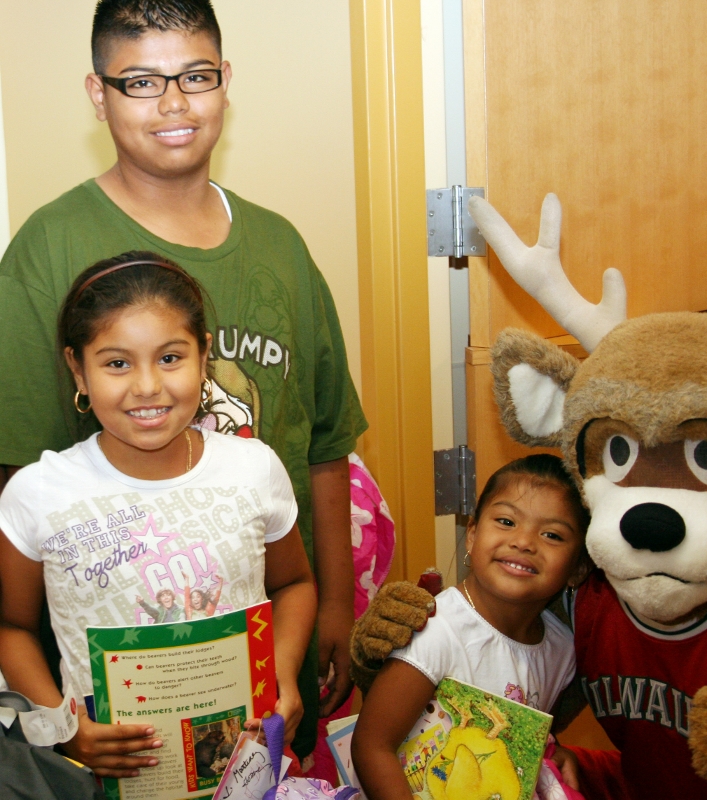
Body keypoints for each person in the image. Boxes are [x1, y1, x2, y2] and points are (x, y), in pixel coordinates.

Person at [0, 0, 366, 757]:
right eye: (140, 81)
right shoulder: (48, 247)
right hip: (113, 681)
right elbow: (16, 484)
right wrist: (52, 715)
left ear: (225, 81)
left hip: (263, 647)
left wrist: (336, 604)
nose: (173, 103)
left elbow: (325, 446)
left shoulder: (281, 247)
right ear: (98, 94)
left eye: (195, 76)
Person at [0, 254, 317, 778]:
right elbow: (11, 627)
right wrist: (63, 728)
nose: (147, 386)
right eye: (117, 363)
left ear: (204, 356)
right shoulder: (38, 493)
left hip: (244, 768)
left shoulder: (254, 468)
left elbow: (294, 585)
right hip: (101, 778)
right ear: (78, 369)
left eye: (170, 358)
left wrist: (281, 676)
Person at [351, 455, 591, 800]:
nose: (524, 541)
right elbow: (372, 747)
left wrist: (553, 751)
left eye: (552, 535)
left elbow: (521, 741)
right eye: (506, 521)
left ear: (578, 568)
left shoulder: (562, 647)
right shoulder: (435, 629)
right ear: (473, 535)